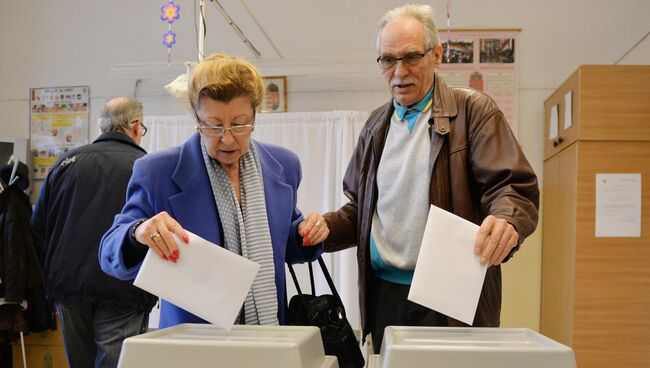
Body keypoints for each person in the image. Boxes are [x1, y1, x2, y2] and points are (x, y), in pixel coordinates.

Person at [322, 4, 540, 352]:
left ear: (437, 54)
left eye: (411, 57)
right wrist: (326, 228)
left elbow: (511, 188)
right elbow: (359, 211)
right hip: (384, 294)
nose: (399, 71)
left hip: (450, 295)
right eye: (387, 60)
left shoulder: (473, 112)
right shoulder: (375, 127)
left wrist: (506, 218)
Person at [99, 53, 326, 329]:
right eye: (214, 125)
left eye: (239, 124)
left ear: (255, 115)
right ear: (196, 116)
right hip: (194, 345)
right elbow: (109, 252)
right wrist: (138, 232)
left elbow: (285, 243)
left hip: (269, 339)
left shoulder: (283, 166)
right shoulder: (157, 172)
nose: (227, 138)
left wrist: (307, 233)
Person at [31, 97, 157, 368]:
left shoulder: (66, 163)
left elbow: (38, 226)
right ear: (136, 127)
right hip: (123, 285)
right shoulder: (146, 166)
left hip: (68, 284)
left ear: (102, 127)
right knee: (117, 364)